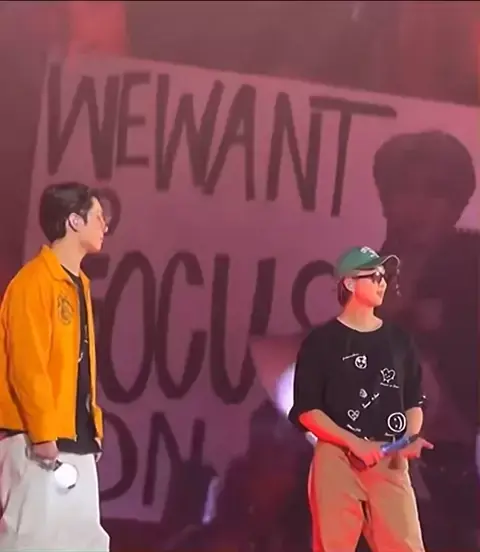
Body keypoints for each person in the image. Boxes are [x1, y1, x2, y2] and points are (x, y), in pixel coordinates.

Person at [288, 245, 433, 552]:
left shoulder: (399, 340)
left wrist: (407, 439)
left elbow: (413, 401)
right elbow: (307, 410)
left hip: (389, 458)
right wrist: (354, 443)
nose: (382, 283)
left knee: (405, 544)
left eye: (384, 277)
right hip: (337, 456)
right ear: (350, 283)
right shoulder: (321, 342)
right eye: (374, 276)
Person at [0, 182, 110, 551]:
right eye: (98, 217)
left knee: (84, 541)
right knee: (31, 539)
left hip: (75, 437)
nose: (105, 225)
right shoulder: (34, 282)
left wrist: (91, 427)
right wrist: (43, 434)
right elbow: (27, 364)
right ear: (74, 221)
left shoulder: (77, 285)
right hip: (37, 439)